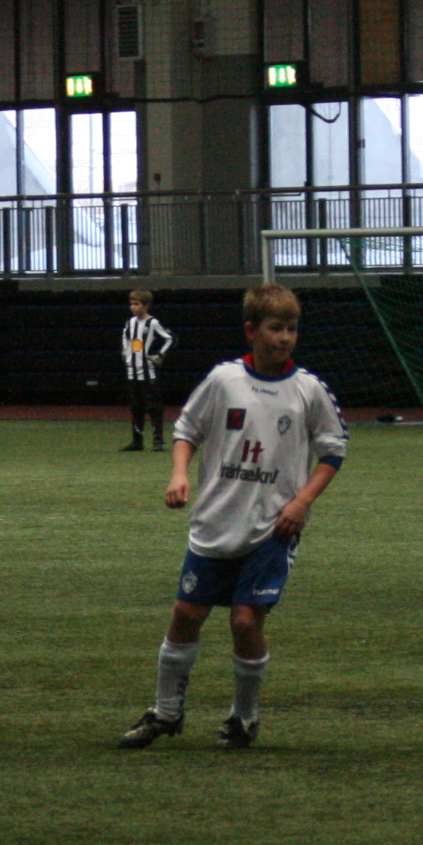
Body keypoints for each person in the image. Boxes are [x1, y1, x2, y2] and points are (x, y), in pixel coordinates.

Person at [118, 283, 348, 751]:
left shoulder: (308, 388)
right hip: (215, 521)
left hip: (272, 528)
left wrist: (302, 501)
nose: (285, 337)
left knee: (245, 621)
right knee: (186, 614)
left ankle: (244, 718)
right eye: (275, 328)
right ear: (251, 330)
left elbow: (334, 450)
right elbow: (187, 429)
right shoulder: (224, 379)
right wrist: (179, 474)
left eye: (292, 329)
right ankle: (165, 712)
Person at [119, 289, 174, 453]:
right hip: (132, 370)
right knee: (135, 406)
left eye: (136, 304)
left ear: (146, 305)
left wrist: (160, 355)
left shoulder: (153, 323)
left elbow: (169, 339)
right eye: (131, 304)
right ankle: (137, 441)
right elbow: (125, 337)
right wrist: (126, 352)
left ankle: (158, 440)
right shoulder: (130, 322)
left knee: (154, 405)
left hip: (148, 371)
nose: (133, 307)